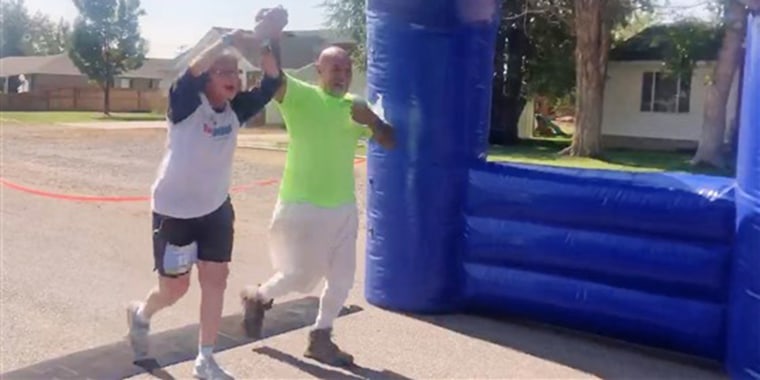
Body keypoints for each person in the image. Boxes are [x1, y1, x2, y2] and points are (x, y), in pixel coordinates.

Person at [125, 8, 288, 380]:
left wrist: (268, 39)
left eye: (236, 72)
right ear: (208, 77)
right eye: (224, 71)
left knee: (216, 279)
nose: (233, 78)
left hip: (215, 208)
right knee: (175, 289)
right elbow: (192, 71)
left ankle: (205, 359)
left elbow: (272, 80)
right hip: (174, 211)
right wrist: (227, 40)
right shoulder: (185, 105)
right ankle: (141, 313)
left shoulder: (236, 110)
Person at [240, 45, 395, 367]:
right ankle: (258, 297)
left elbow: (391, 140)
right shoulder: (302, 96)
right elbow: (274, 77)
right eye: (335, 68)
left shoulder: (357, 107)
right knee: (299, 275)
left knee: (342, 279)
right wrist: (267, 39)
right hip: (302, 206)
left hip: (343, 208)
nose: (342, 75)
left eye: (347, 70)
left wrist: (373, 120)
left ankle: (320, 338)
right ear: (318, 71)